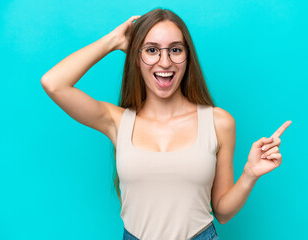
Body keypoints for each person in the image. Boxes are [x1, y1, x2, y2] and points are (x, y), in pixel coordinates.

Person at [41, 8, 291, 240]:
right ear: (136, 58)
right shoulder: (117, 121)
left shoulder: (218, 122)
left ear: (187, 57)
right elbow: (53, 83)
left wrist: (249, 175)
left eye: (175, 49)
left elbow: (222, 213)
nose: (164, 62)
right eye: (151, 50)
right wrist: (113, 41)